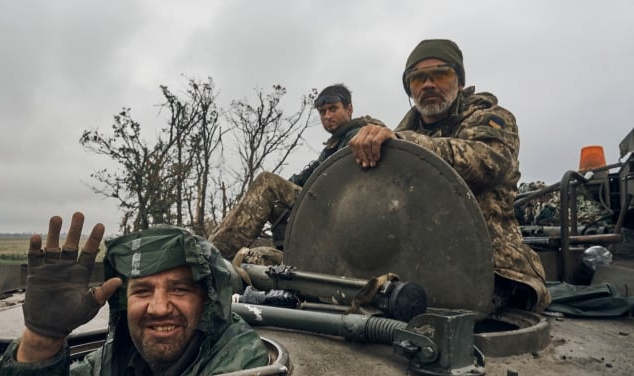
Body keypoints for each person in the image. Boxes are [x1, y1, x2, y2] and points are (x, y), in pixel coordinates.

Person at [347, 39, 551, 312]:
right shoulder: (401, 135)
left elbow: (488, 163)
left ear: (460, 82)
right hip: (413, 262)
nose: (428, 84)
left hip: (492, 266)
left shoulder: (492, 118)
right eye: (417, 78)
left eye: (440, 74)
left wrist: (405, 144)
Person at [0, 212, 269, 376]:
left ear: (206, 301)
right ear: (125, 302)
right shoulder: (109, 362)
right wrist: (42, 337)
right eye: (142, 291)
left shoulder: (237, 359)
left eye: (179, 290)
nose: (159, 307)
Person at [209, 84, 382, 261]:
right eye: (322, 112)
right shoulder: (333, 146)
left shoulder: (360, 136)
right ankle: (213, 247)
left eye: (333, 109)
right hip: (324, 210)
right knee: (255, 256)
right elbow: (305, 177)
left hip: (339, 213)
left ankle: (212, 256)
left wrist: (278, 188)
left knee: (267, 184)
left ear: (349, 108)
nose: (327, 116)